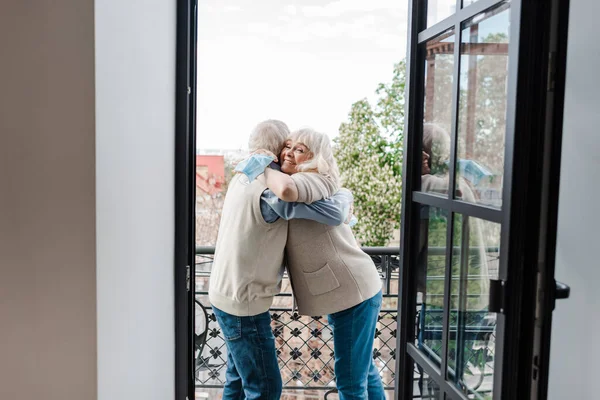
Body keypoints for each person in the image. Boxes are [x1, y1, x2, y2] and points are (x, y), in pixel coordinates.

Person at [208, 120, 354, 400]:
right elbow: (330, 212)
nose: (289, 152)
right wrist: (344, 195)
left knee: (237, 380)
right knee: (264, 388)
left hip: (225, 293)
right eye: (286, 145)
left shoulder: (240, 178)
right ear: (276, 152)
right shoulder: (269, 192)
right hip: (244, 303)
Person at [251, 127, 386, 400]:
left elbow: (291, 201)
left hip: (353, 292)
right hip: (349, 291)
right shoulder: (307, 184)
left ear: (314, 158)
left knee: (350, 382)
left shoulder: (307, 183)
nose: (289, 152)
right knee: (363, 371)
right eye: (287, 146)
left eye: (299, 149)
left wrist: (261, 167)